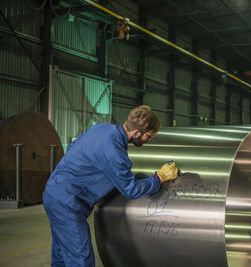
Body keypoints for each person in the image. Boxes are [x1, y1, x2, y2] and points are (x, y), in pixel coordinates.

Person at [42, 105, 178, 267]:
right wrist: (159, 177)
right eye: (149, 137)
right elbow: (131, 189)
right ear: (136, 133)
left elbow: (74, 146)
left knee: (61, 255)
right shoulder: (115, 153)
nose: (148, 140)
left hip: (52, 192)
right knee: (80, 259)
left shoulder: (101, 128)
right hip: (67, 204)